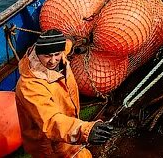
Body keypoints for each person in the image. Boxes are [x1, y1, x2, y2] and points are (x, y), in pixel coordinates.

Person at [15, 30, 115, 158]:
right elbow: (51, 121)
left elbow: (67, 44)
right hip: (50, 146)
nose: (53, 61)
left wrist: (76, 41)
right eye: (47, 56)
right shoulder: (29, 86)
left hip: (69, 134)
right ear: (37, 53)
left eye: (57, 54)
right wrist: (84, 131)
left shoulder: (60, 54)